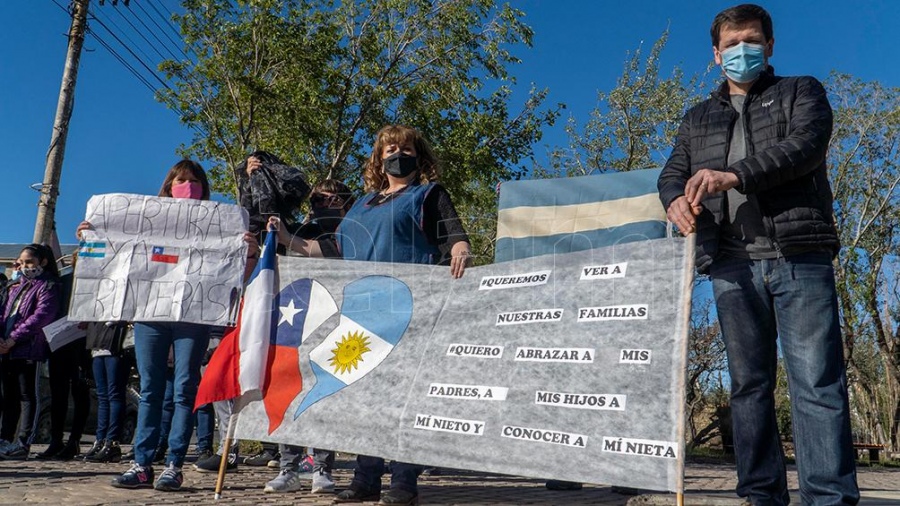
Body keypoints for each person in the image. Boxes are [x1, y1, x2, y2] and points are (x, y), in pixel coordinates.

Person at [657, 4, 859, 504]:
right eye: (730, 44)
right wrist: (675, 200)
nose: (740, 50)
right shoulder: (697, 117)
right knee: (748, 386)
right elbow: (670, 173)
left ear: (769, 46)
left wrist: (735, 175)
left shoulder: (801, 91)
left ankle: (828, 497)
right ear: (715, 54)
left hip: (799, 255)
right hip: (730, 265)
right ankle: (761, 494)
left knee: (816, 382)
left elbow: (806, 147)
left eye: (750, 40)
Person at [77, 160, 260, 491]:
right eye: (180, 181)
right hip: (151, 315)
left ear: (204, 187)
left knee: (185, 388)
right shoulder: (145, 222)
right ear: (168, 186)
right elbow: (113, 254)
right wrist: (93, 236)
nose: (187, 186)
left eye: (193, 181)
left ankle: (175, 464)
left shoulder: (221, 226)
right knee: (150, 390)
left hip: (195, 316)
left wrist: (248, 252)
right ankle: (142, 463)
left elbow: (238, 276)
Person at [333, 125, 470, 505]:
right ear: (379, 157)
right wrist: (283, 239)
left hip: (410, 311)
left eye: (406, 147)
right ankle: (365, 478)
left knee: (404, 397)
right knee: (367, 400)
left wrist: (459, 247)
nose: (399, 153)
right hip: (362, 314)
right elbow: (331, 249)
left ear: (418, 155)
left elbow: (453, 234)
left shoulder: (429, 195)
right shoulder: (360, 205)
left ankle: (404, 480)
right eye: (391, 147)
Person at [265, 179, 355, 495]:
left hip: (335, 324)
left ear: (346, 203)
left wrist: (289, 238)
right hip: (295, 323)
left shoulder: (354, 232)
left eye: (330, 199)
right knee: (288, 394)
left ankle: (322, 468)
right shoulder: (301, 230)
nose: (321, 203)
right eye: (317, 198)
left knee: (322, 396)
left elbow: (335, 255)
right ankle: (288, 467)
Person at [0, 244, 62, 460]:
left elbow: (42, 316)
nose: (25, 266)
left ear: (42, 262)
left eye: (30, 262)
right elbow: (5, 312)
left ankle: (24, 442)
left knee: (28, 396)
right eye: (22, 262)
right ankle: (5, 439)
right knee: (9, 397)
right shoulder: (15, 286)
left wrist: (13, 338)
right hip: (6, 349)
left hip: (28, 348)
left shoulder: (48, 286)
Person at [83, 321, 131, 463]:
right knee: (103, 396)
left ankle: (112, 442)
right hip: (98, 344)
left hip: (116, 343)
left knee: (114, 394)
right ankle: (100, 440)